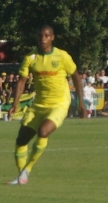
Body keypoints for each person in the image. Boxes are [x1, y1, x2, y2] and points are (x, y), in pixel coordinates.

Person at [5, 25, 79, 184]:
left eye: (46, 36)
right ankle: (21, 176)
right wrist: (14, 104)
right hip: (38, 105)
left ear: (52, 37)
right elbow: (21, 81)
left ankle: (28, 169)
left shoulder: (62, 56)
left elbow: (76, 76)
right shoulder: (30, 58)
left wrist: (81, 103)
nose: (43, 39)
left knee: (43, 131)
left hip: (59, 103)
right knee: (21, 140)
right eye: (40, 36)